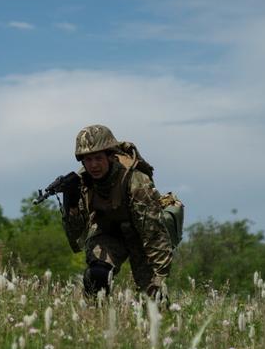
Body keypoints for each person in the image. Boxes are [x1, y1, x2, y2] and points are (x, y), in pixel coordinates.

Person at [61, 124, 183, 301]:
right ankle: (96, 319)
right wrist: (71, 206)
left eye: (98, 158)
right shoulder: (82, 183)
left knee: (153, 298)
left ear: (110, 156)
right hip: (109, 232)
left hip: (141, 235)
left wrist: (159, 276)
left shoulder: (135, 181)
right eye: (88, 160)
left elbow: (154, 234)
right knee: (97, 276)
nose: (93, 165)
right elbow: (76, 237)